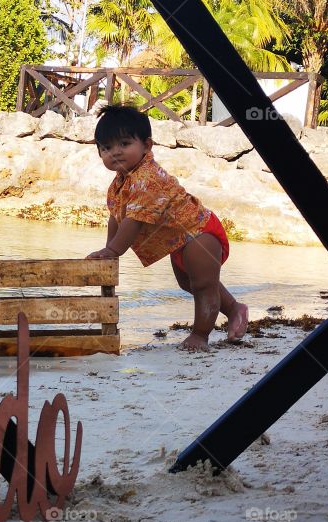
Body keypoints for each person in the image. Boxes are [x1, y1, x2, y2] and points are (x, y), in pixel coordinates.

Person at [86, 105, 248, 351]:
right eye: (106, 148)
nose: (115, 153)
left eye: (124, 144)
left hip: (199, 231)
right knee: (189, 284)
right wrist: (108, 249)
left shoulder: (147, 179)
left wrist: (114, 251)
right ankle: (235, 309)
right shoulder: (120, 183)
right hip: (178, 241)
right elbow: (116, 217)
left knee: (203, 286)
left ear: (147, 146)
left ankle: (200, 335)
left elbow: (133, 221)